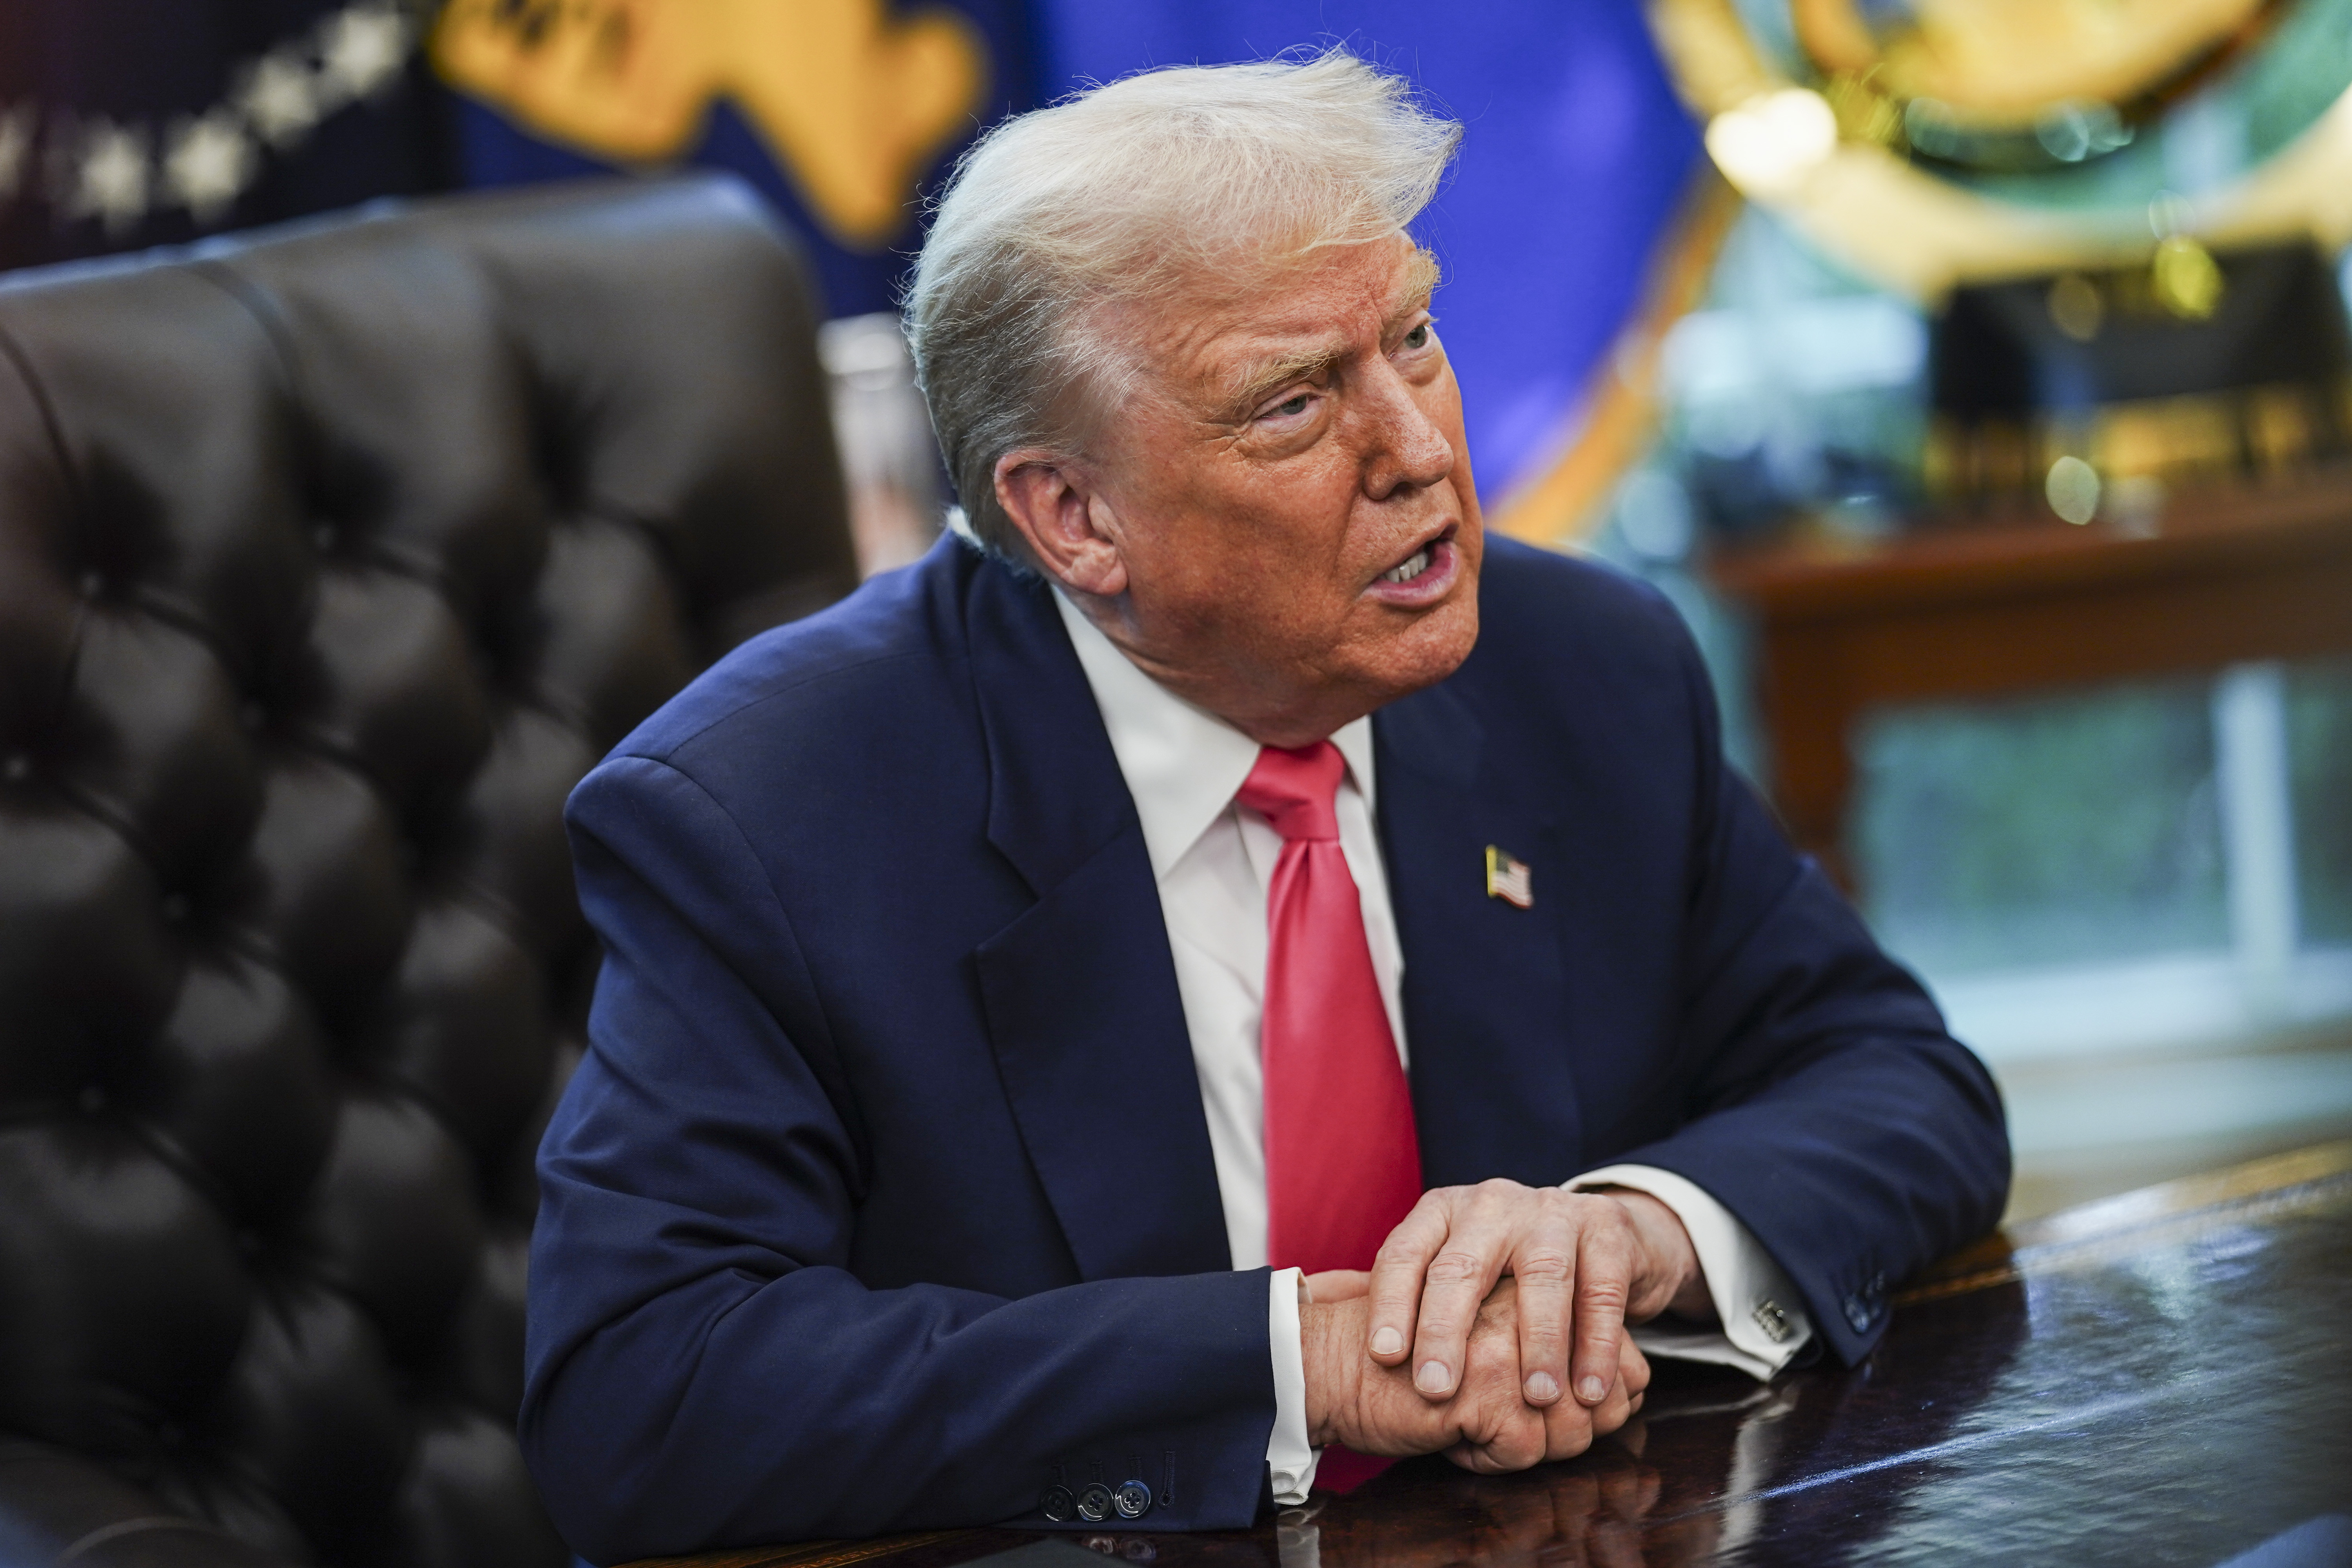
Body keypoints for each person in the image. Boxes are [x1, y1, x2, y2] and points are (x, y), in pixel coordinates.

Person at [518, 51, 2009, 1564]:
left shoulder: (1584, 671)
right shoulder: (769, 812)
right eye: (1294, 405)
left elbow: (1902, 1084)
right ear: (1073, 516)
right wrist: (1303, 1360)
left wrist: (1632, 1236)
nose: (1423, 448)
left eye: (1415, 338)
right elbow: (645, 1400)